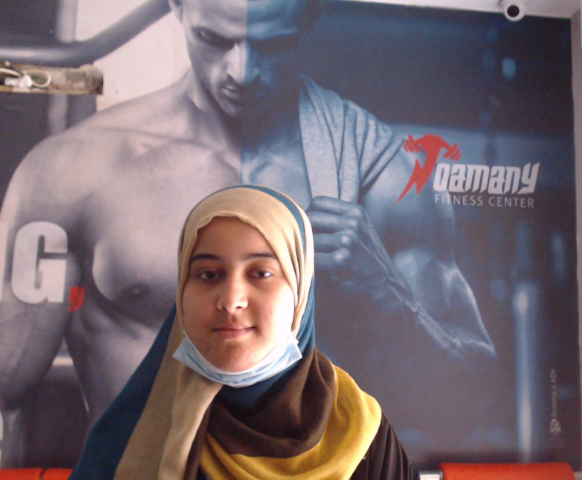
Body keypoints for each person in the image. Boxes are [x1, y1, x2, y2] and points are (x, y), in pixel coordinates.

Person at [0, 0, 494, 464]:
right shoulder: (74, 170)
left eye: (272, 44)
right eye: (214, 39)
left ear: (310, 17)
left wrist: (383, 290)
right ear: (177, 6)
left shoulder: (377, 174)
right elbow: (6, 395)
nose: (241, 72)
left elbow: (463, 408)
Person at [69, 185, 413, 480]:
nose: (231, 300)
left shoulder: (360, 428)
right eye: (208, 274)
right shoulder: (130, 437)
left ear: (300, 291)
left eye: (261, 273)